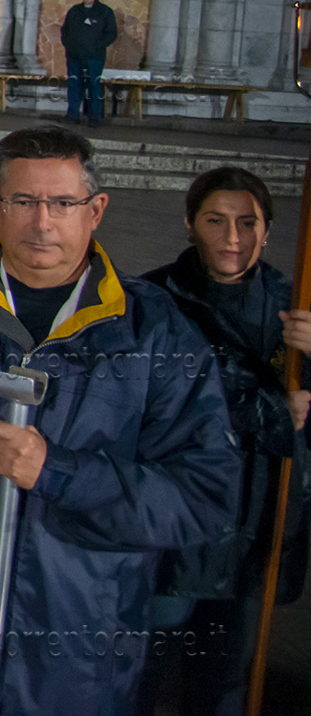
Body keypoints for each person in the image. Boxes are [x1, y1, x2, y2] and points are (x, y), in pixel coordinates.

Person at [0, 127, 240, 716]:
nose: (42, 223)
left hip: (72, 667)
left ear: (96, 210)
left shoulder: (152, 335)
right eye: (24, 201)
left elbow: (204, 496)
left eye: (62, 203)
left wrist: (57, 472)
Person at [138, 167, 311, 715]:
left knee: (224, 679)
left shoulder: (294, 302)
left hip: (255, 523)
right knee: (144, 668)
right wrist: (269, 410)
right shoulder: (152, 299)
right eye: (215, 220)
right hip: (178, 525)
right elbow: (160, 403)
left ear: (268, 231)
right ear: (191, 225)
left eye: (247, 222)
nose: (232, 237)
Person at [59, 0, 118, 125]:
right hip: (74, 57)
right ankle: (73, 114)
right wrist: (69, 46)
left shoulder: (105, 12)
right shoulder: (74, 11)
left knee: (94, 86)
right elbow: (65, 31)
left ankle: (95, 117)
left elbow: (111, 33)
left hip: (94, 58)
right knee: (74, 85)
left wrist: (98, 46)